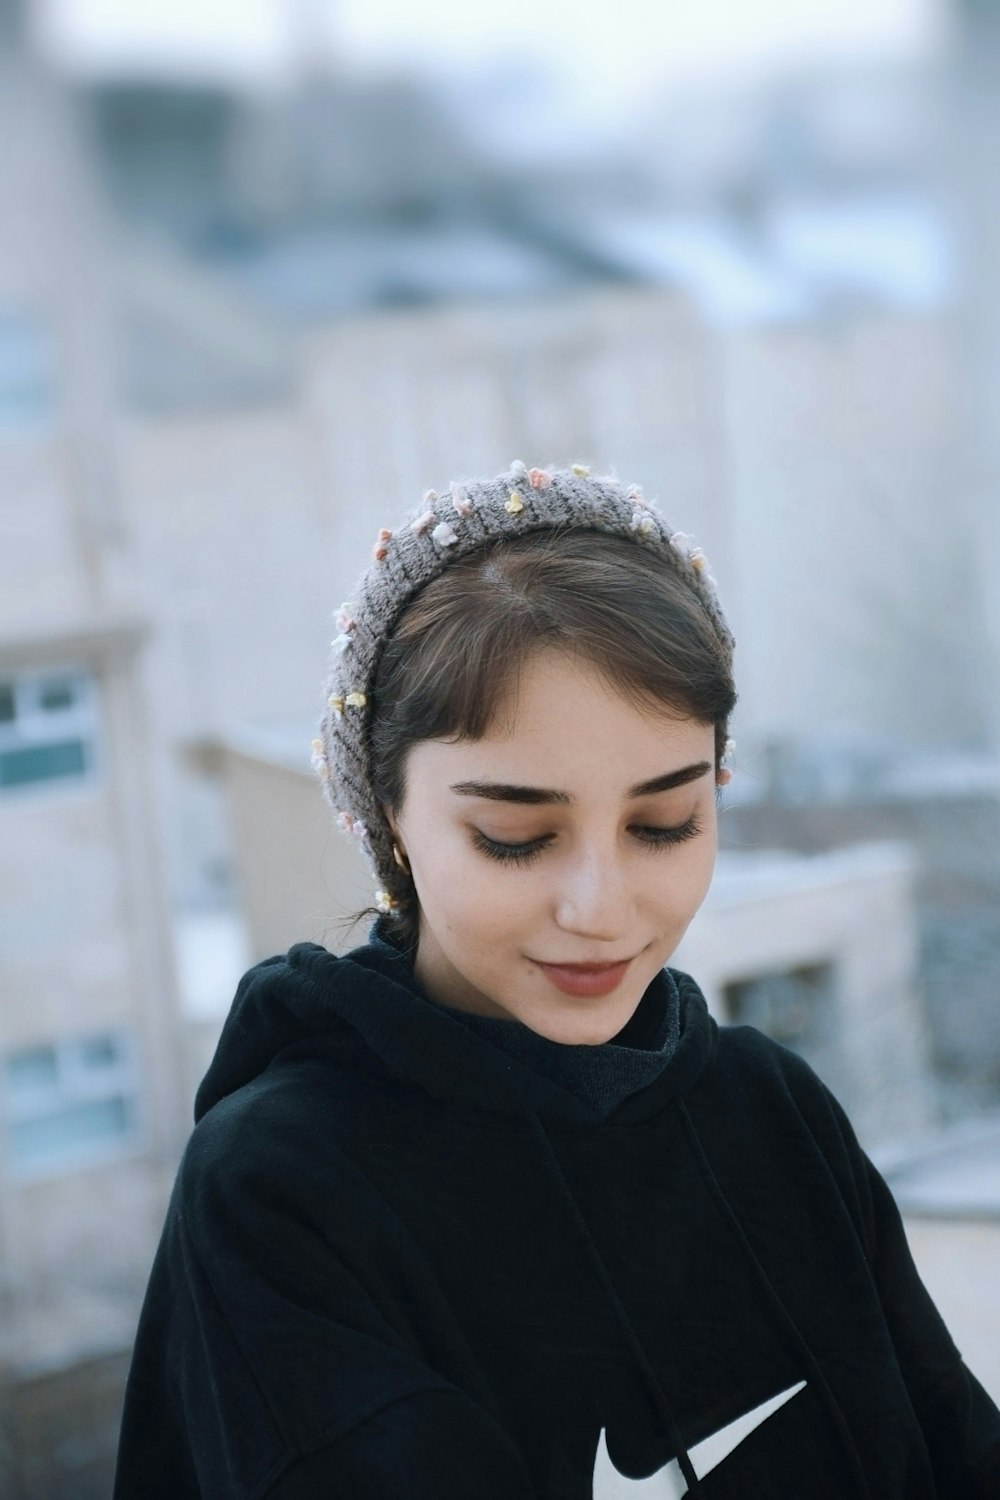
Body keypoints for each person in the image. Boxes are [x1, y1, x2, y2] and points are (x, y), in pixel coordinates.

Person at [114, 462, 1000, 1499]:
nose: (600, 906)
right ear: (390, 818)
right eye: (515, 838)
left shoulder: (770, 1113)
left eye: (662, 824)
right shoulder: (279, 1198)